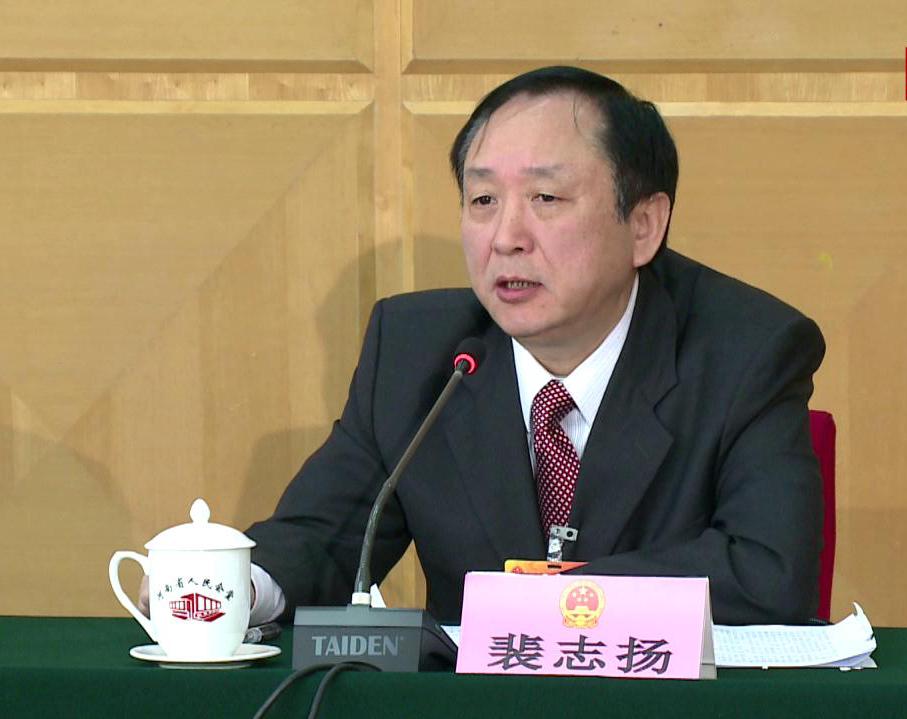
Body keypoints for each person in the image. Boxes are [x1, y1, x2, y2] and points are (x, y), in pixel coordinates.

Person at [244, 66, 825, 627]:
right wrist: (239, 587)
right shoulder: (416, 353)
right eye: (483, 200)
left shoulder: (748, 351)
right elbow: (323, 538)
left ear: (644, 225)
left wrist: (548, 601)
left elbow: (767, 574)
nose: (506, 238)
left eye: (545, 198)